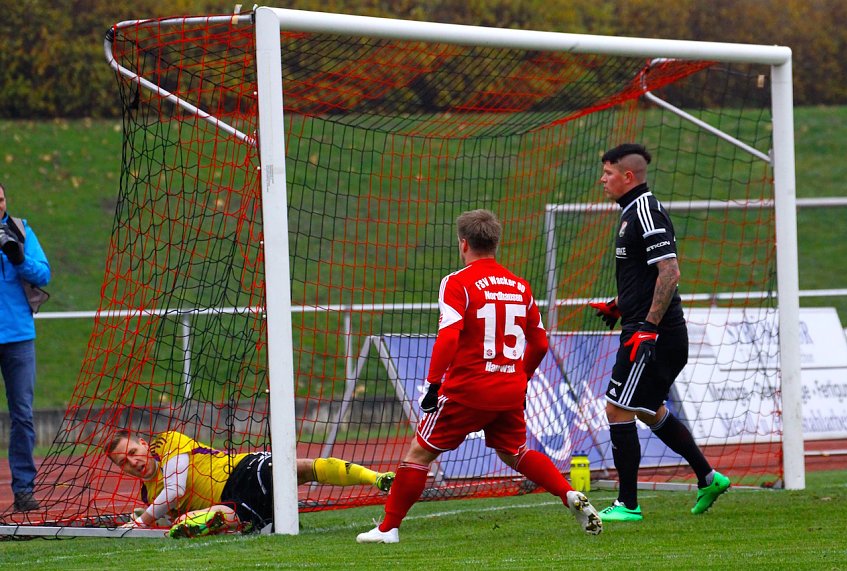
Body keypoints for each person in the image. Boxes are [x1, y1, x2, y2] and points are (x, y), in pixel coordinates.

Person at [357, 209, 602, 544]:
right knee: (514, 451)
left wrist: (432, 383)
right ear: (495, 243)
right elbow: (541, 343)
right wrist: (521, 377)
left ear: (463, 244)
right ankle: (567, 493)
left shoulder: (456, 282)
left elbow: (449, 336)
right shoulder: (521, 286)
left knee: (419, 453)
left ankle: (387, 530)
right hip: (509, 389)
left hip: (468, 389)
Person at [589, 143, 730, 522]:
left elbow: (670, 272)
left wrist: (648, 327)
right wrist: (619, 305)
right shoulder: (631, 213)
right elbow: (646, 275)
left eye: (608, 173)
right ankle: (708, 477)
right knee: (649, 411)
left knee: (617, 410)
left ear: (627, 176)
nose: (603, 180)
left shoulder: (646, 213)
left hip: (654, 334)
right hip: (646, 328)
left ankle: (628, 504)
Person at [105, 430, 395, 537]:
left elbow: (175, 489)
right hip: (233, 505)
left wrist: (142, 521)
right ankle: (263, 523)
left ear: (143, 444)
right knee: (191, 522)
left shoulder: (167, 441)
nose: (133, 461)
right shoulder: (148, 495)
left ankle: (377, 478)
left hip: (242, 471)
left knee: (301, 470)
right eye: (123, 462)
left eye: (133, 452)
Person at [0, 182, 51, 513]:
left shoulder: (20, 230)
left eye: (1, 198)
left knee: (23, 415)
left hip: (18, 337)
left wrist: (18, 257)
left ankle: (23, 490)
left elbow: (44, 274)